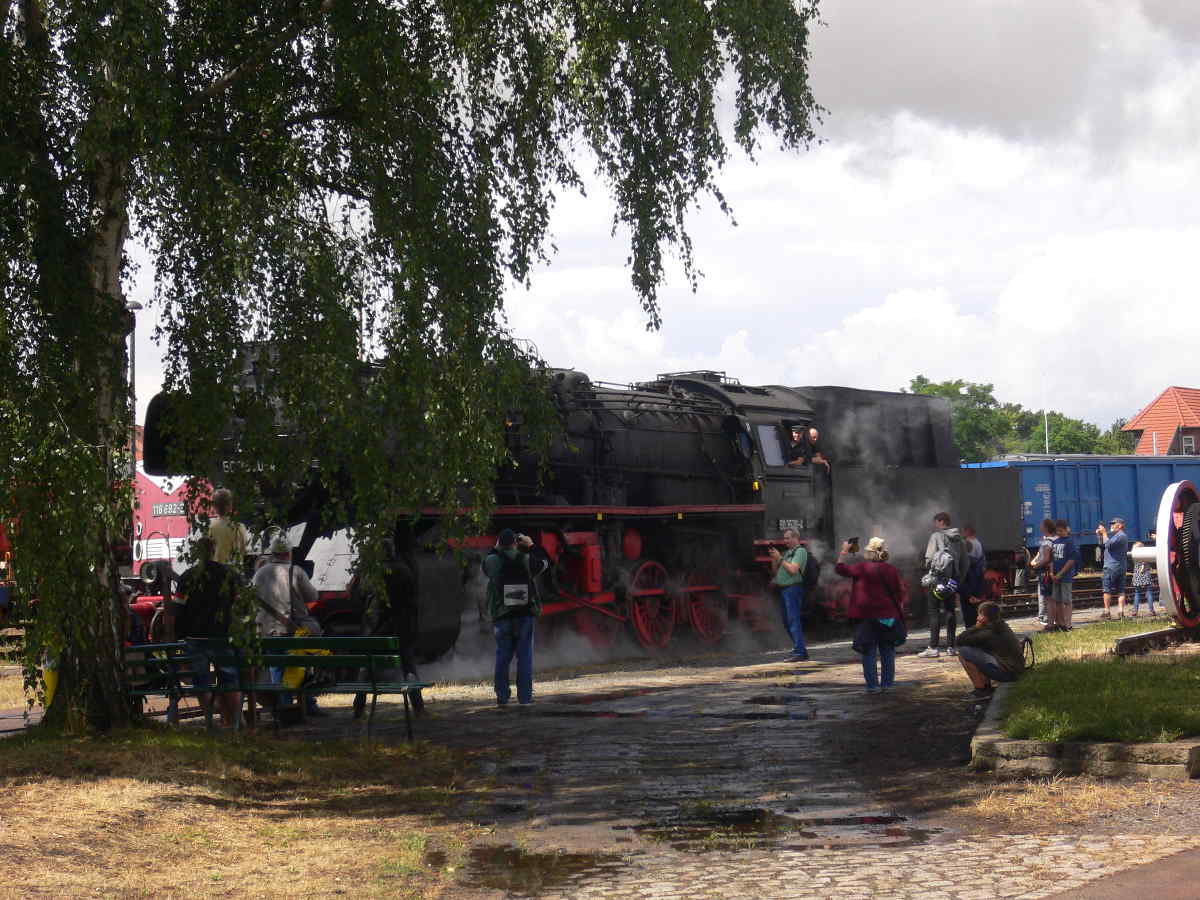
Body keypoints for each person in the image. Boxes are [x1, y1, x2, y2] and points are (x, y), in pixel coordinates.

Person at [164, 536, 243, 727]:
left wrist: (178, 633)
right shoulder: (229, 574)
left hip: (196, 638)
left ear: (197, 552)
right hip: (222, 636)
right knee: (230, 682)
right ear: (214, 550)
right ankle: (235, 723)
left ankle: (209, 723)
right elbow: (240, 605)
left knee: (201, 683)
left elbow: (178, 607)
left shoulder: (188, 576)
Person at [252, 534, 325, 715]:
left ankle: (284, 707)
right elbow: (313, 596)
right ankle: (309, 705)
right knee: (301, 666)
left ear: (273, 552)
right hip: (293, 630)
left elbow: (252, 598)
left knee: (277, 668)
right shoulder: (296, 571)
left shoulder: (260, 573)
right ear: (289, 552)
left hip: (267, 630)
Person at [483, 528, 550, 707]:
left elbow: (485, 567)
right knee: (525, 657)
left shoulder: (492, 560)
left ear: (499, 543)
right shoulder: (526, 559)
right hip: (524, 614)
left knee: (502, 657)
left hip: (502, 615)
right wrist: (531, 545)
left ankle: (502, 697)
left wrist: (496, 547)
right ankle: (525, 698)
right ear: (515, 543)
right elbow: (544, 563)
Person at [836, 537, 905, 693]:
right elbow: (899, 592)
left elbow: (840, 569)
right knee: (887, 651)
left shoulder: (862, 568)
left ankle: (872, 686)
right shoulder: (891, 569)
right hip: (887, 617)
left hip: (867, 617)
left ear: (869, 552)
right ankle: (887, 685)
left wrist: (844, 552)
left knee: (868, 652)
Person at [917, 512, 969, 659]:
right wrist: (958, 580)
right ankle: (951, 647)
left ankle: (933, 647)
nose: (935, 525)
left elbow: (929, 558)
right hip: (952, 580)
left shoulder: (936, 536)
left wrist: (930, 571)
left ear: (940, 521)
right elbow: (965, 563)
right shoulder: (959, 539)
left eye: (936, 522)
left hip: (937, 580)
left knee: (934, 612)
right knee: (950, 610)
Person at [955, 600, 1025, 699]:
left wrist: (976, 627)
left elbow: (959, 640)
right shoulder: (1001, 625)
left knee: (964, 652)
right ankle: (986, 686)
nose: (977, 617)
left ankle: (981, 689)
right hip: (1016, 670)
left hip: (1009, 674)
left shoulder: (989, 632)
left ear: (984, 617)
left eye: (979, 614)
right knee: (978, 649)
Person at [767, 529, 810, 662]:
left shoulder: (800, 551)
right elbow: (775, 572)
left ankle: (800, 652)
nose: (785, 541)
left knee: (793, 620)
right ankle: (799, 649)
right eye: (784, 538)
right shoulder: (787, 553)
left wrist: (780, 558)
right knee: (787, 621)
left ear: (795, 537)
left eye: (787, 538)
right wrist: (774, 558)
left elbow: (793, 570)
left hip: (793, 588)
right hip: (784, 589)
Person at [1047, 519, 1080, 631]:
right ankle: (1061, 623)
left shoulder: (1069, 542)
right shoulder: (1055, 542)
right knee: (1057, 600)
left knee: (1066, 601)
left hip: (1065, 577)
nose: (1059, 533)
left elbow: (1071, 560)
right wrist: (1052, 572)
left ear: (1066, 530)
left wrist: (1060, 574)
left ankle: (1068, 624)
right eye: (1057, 531)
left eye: (1061, 531)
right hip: (1056, 576)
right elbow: (1052, 559)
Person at [1096, 516, 1129, 619]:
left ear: (1120, 525)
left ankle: (1107, 611)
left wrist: (1104, 533)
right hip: (1119, 567)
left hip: (1111, 567)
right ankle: (1120, 612)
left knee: (1107, 590)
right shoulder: (1117, 536)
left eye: (1113, 524)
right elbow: (1103, 545)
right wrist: (1100, 536)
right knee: (1120, 590)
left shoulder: (1120, 536)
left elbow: (1108, 545)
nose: (1111, 525)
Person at [209, 488, 250, 568]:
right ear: (230, 505)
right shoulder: (239, 527)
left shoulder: (210, 527)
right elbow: (244, 550)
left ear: (214, 506)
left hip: (216, 569)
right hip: (235, 569)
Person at [1029, 518, 1056, 626]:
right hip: (1050, 572)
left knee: (1047, 597)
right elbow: (1041, 555)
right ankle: (1049, 619)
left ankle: (1048, 620)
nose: (1040, 527)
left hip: (1045, 573)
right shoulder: (1054, 540)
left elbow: (1046, 559)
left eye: (1041, 525)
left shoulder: (1047, 542)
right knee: (1050, 597)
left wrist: (1035, 566)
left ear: (1045, 528)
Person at [959, 524, 986, 629]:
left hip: (968, 592)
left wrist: (968, 595)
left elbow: (962, 580)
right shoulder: (978, 543)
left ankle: (971, 632)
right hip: (976, 588)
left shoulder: (970, 544)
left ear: (967, 531)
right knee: (976, 615)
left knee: (968, 617)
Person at [1130, 542, 1157, 617]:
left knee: (1137, 593)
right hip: (1145, 576)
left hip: (1137, 577)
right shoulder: (1146, 556)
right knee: (1149, 593)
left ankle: (1135, 611)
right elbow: (1144, 566)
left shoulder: (1134, 557)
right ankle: (1151, 610)